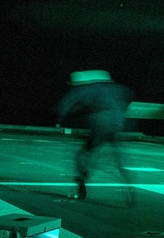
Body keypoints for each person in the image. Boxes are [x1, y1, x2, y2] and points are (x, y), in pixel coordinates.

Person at [55, 70, 136, 207]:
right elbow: (129, 96)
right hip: (117, 123)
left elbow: (65, 106)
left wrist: (61, 119)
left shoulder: (86, 88)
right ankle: (130, 190)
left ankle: (81, 187)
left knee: (82, 154)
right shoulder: (116, 88)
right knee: (118, 159)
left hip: (100, 124)